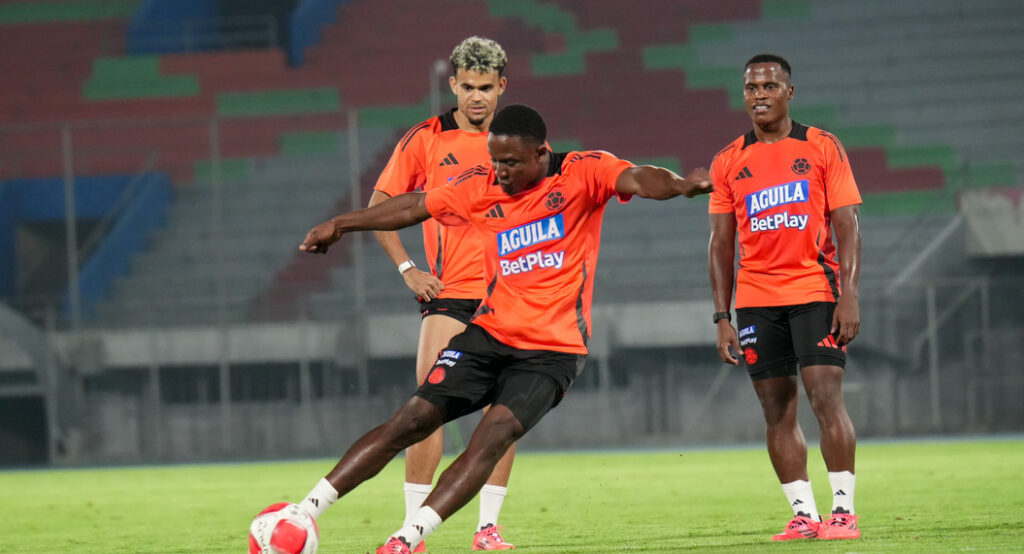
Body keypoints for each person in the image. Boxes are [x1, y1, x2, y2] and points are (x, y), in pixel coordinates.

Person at [292, 104, 712, 553]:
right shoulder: (480, 186)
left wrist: (682, 185)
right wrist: (341, 223)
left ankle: (405, 540)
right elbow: (415, 205)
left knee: (492, 435)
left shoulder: (582, 173)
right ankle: (301, 514)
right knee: (411, 419)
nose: (500, 171)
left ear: (541, 153)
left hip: (552, 352)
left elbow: (639, 178)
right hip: (489, 335)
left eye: (510, 162)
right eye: (495, 160)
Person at [366, 35, 515, 551]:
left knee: (502, 413)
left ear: (502, 87)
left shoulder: (519, 140)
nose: (476, 98)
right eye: (467, 87)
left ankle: (487, 527)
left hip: (508, 295)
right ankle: (412, 527)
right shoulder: (426, 139)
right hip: (449, 294)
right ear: (453, 85)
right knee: (429, 404)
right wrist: (408, 267)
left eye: (486, 88)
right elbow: (381, 204)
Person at [707, 53, 862, 541]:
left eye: (770, 86)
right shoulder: (729, 160)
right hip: (756, 299)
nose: (759, 95)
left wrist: (849, 294)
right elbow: (720, 244)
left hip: (814, 291)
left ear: (789, 92)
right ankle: (803, 514)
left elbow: (846, 223)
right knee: (776, 409)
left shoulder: (820, 146)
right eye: (752, 87)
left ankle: (843, 511)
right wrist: (721, 316)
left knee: (825, 399)